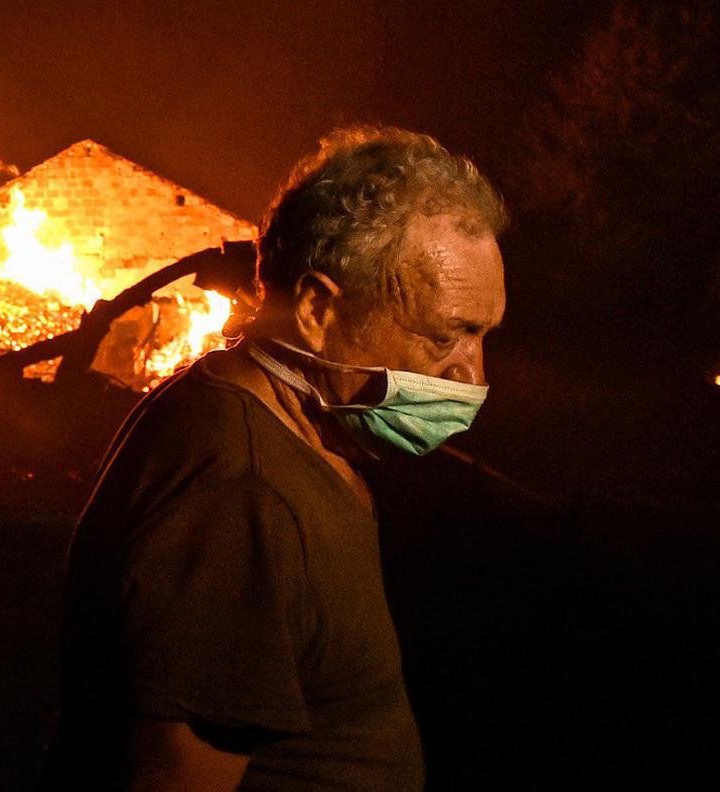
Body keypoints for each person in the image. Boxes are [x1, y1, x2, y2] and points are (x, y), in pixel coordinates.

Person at [41, 127, 508, 792]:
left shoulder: (293, 432)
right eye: (446, 336)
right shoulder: (240, 493)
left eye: (484, 334)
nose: (472, 375)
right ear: (318, 310)